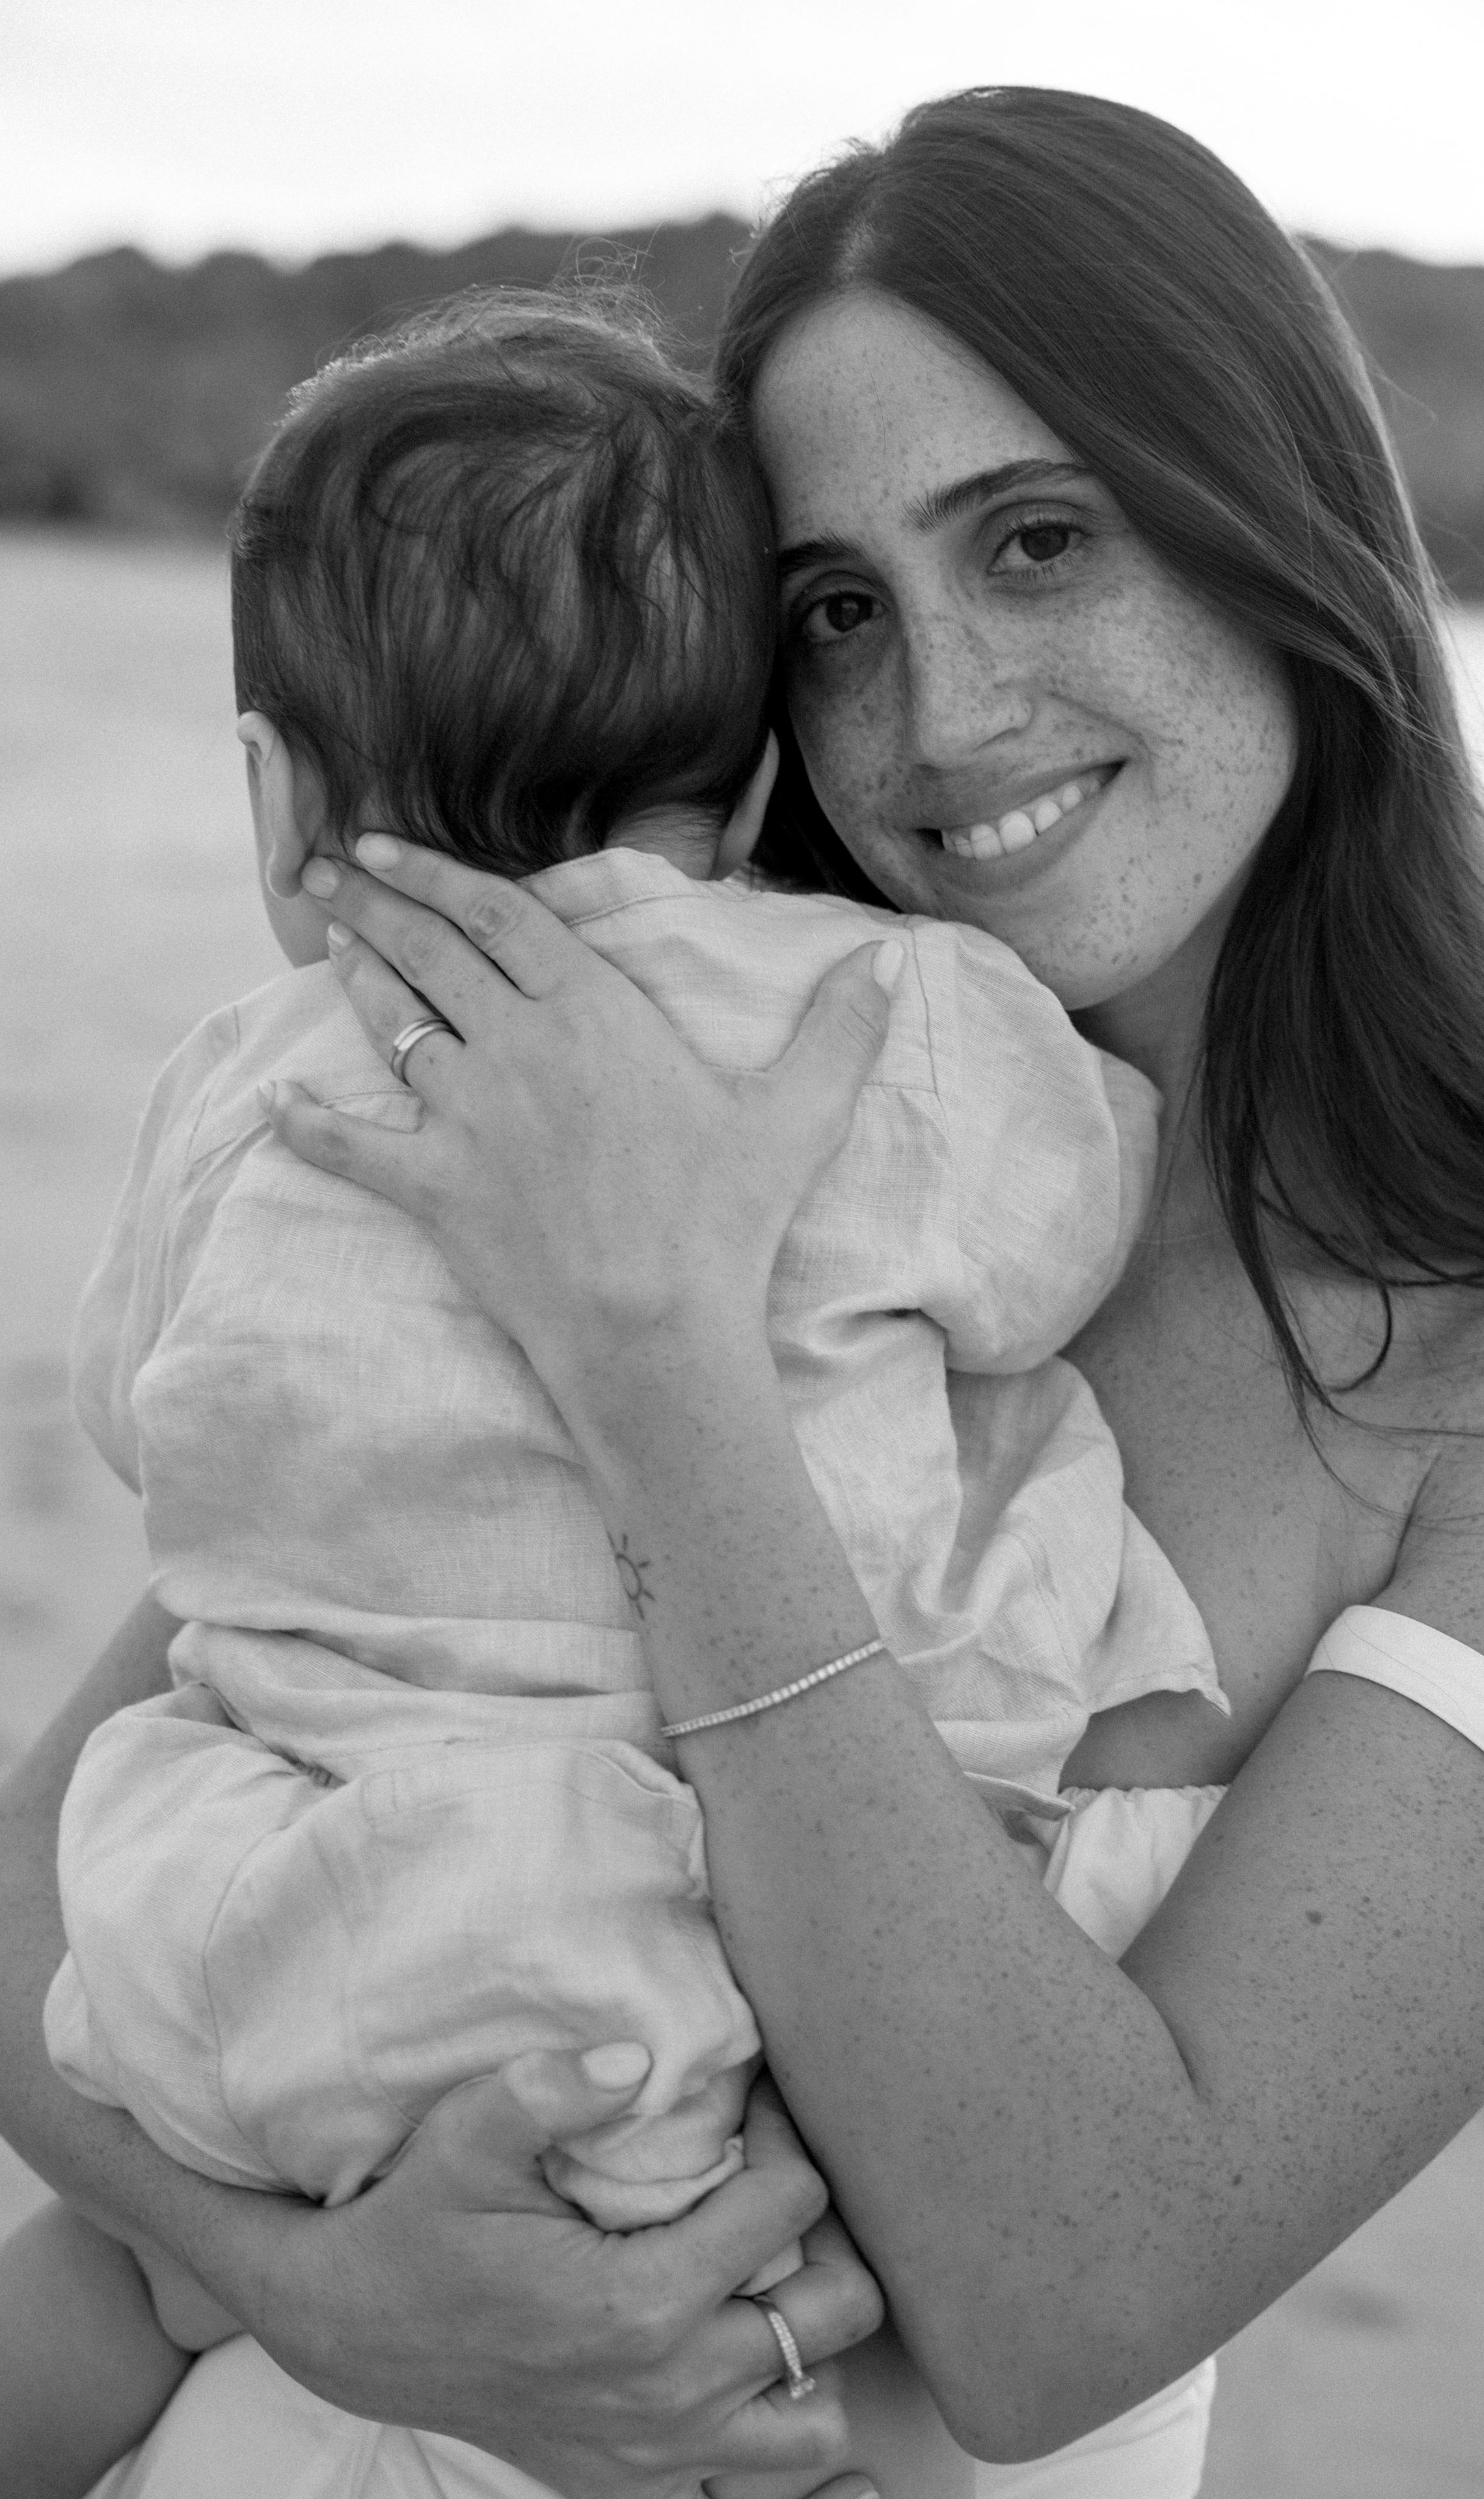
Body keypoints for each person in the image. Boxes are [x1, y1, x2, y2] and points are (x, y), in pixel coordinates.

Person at [2, 80, 1484, 2499]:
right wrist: (323, 2289)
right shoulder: (646, 1080)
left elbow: (1060, 2299)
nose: (945, 713)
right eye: (838, 614)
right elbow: (30, 1877)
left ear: (1284, 532)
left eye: (1042, 540)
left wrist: (660, 1350)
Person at [1, 277, 1214, 2498]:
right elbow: (1069, 1225)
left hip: (254, 1920)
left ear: (278, 801)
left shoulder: (240, 1082)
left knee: (128, 2258)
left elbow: (134, 1409)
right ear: (753, 781)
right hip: (660, 1968)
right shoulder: (892, 1015)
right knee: (705, 2314)